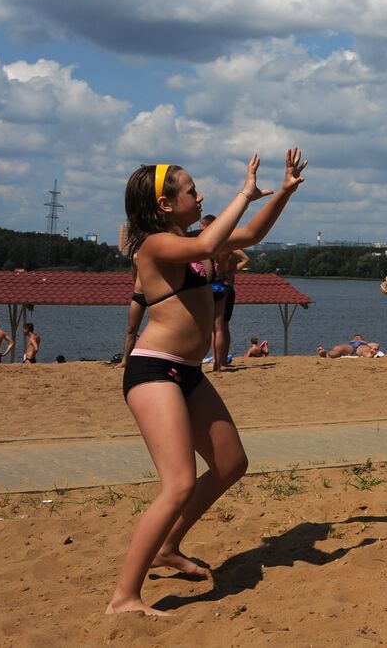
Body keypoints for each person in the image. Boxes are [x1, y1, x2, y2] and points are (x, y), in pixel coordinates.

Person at [108, 149, 306, 617]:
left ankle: (168, 546)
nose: (199, 196)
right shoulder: (154, 246)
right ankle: (124, 598)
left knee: (231, 462)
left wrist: (284, 193)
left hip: (188, 373)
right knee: (176, 484)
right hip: (154, 370)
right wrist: (244, 191)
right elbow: (201, 248)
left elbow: (252, 233)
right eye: (192, 190)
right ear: (164, 205)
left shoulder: (192, 238)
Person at [199, 215, 251, 372]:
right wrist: (233, 270)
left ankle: (216, 360)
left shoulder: (211, 245)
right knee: (223, 326)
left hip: (214, 285)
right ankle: (222, 359)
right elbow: (246, 259)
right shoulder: (228, 245)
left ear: (207, 226)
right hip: (227, 286)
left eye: (202, 227)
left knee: (216, 327)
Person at [317, 335, 381, 358]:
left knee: (338, 349)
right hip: (357, 346)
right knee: (337, 348)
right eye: (356, 337)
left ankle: (327, 355)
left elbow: (376, 345)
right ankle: (369, 354)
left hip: (352, 346)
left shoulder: (361, 342)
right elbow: (376, 344)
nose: (357, 337)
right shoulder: (363, 343)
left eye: (358, 337)